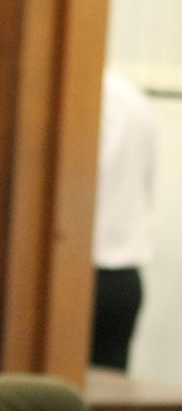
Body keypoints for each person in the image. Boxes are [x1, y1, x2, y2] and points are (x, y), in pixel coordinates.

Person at [90, 68, 158, 371]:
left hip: (74, 275)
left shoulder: (74, 96)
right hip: (124, 281)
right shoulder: (135, 99)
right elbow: (147, 186)